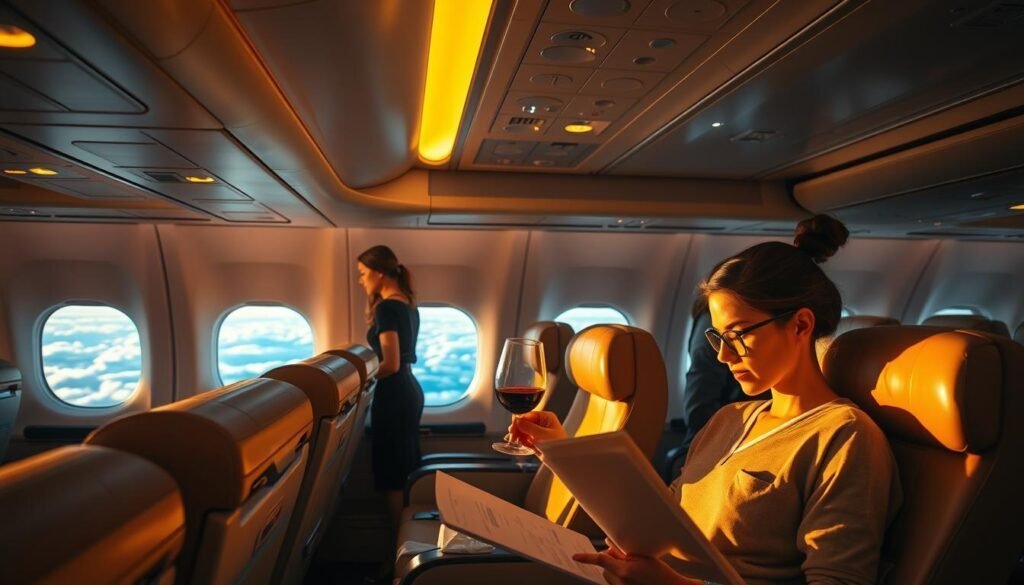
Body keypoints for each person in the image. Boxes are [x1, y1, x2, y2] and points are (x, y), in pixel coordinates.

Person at [511, 215, 902, 585]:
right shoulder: (730, 418)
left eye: (738, 335)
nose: (723, 356)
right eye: (718, 337)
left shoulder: (844, 437)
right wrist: (562, 451)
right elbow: (661, 518)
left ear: (800, 324)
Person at [357, 245, 423, 531]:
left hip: (395, 393)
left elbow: (391, 363)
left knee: (392, 476)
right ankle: (403, 547)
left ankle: (395, 556)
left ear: (379, 273)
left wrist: (362, 379)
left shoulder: (386, 308)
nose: (361, 280)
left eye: (362, 273)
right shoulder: (408, 304)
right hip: (408, 390)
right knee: (402, 468)